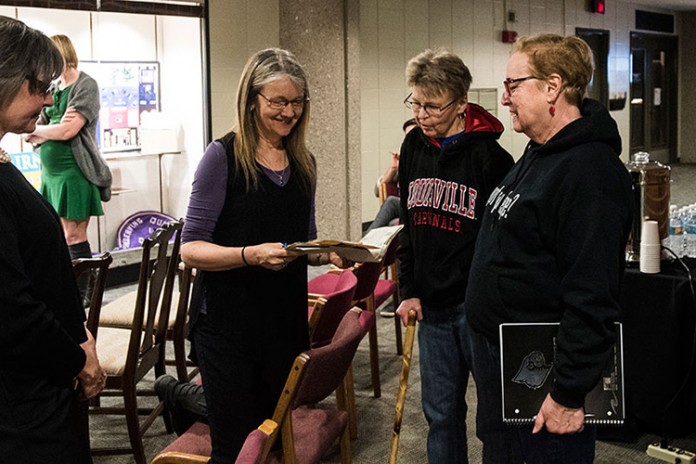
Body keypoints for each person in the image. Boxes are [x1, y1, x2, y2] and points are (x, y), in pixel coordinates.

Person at [465, 34, 633, 463]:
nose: (504, 98)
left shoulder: (590, 173)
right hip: (504, 362)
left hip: (545, 383)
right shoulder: (540, 152)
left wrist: (568, 393)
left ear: (552, 87)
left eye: (512, 85)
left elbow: (592, 296)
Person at [180, 48, 350, 463]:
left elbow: (301, 242)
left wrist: (325, 253)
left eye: (296, 102)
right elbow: (190, 248)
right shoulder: (222, 157)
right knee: (236, 445)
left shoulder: (303, 161)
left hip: (281, 319)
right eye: (278, 101)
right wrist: (249, 255)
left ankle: (179, 396)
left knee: (269, 435)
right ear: (253, 99)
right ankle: (180, 395)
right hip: (227, 324)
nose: (289, 112)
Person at [394, 48, 514, 463]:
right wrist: (407, 290)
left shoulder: (492, 159)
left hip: (476, 308)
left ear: (462, 102)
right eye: (416, 102)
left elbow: (502, 244)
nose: (422, 114)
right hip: (431, 307)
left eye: (432, 105)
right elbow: (407, 226)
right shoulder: (413, 146)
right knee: (441, 416)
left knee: (494, 419)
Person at [0, 16, 106, 463]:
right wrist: (76, 358)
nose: (46, 99)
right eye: (39, 87)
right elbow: (12, 308)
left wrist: (79, 335)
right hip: (24, 405)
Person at [23, 34, 112, 304]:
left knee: (74, 234)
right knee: (61, 234)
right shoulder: (56, 87)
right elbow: (30, 131)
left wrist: (42, 130)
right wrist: (48, 129)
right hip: (52, 174)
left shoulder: (86, 85)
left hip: (76, 173)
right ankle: (77, 289)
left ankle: (83, 295)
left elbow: (67, 130)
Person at [366, 118, 417, 233]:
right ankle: (367, 244)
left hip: (421, 208)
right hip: (404, 207)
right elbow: (378, 190)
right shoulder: (405, 159)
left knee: (391, 202)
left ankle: (365, 244)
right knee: (390, 222)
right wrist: (394, 168)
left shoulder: (427, 157)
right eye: (406, 137)